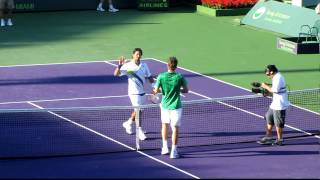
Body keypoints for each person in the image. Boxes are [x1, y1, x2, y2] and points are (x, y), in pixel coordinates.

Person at [114, 48, 153, 140]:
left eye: (139, 54)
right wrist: (119, 65)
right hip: (133, 93)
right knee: (138, 111)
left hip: (142, 92)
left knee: (139, 111)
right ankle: (139, 131)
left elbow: (149, 77)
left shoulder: (144, 65)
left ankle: (128, 123)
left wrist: (154, 85)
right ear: (133, 55)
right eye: (136, 54)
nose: (138, 56)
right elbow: (116, 74)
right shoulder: (127, 66)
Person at [152, 57, 189, 159]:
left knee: (165, 126)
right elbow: (186, 90)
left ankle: (164, 148)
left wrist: (155, 93)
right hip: (176, 107)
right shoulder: (180, 77)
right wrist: (178, 90)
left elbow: (155, 90)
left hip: (165, 106)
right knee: (175, 129)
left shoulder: (161, 76)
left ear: (167, 65)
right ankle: (174, 151)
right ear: (176, 66)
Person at [257, 64, 290, 146]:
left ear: (271, 72)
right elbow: (276, 91)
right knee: (269, 117)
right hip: (274, 103)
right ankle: (268, 137)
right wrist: (266, 93)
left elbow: (275, 90)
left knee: (278, 123)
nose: (267, 76)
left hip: (279, 105)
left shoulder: (278, 78)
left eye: (268, 74)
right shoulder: (275, 77)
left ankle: (280, 139)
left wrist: (265, 86)